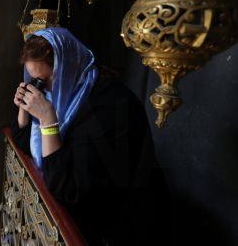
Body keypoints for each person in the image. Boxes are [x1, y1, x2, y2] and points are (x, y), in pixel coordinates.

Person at [12, 27, 170, 246]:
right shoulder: (63, 96)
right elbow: (29, 145)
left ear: (68, 67)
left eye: (45, 80)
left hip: (122, 225)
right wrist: (24, 110)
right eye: (34, 81)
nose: (41, 90)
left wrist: (48, 122)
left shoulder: (110, 107)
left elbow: (67, 190)